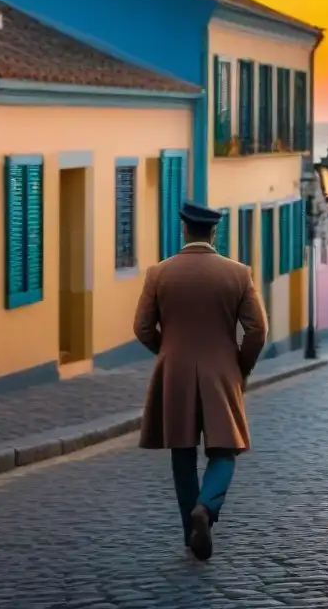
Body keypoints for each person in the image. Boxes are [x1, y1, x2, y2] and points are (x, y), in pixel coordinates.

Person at [134, 201, 268, 561]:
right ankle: (205, 509)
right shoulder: (238, 273)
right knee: (225, 449)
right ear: (213, 232)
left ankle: (188, 531)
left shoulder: (158, 273)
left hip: (174, 370)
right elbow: (257, 330)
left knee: (182, 451)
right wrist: (240, 366)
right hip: (221, 370)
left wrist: (167, 352)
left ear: (183, 230)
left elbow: (142, 328)